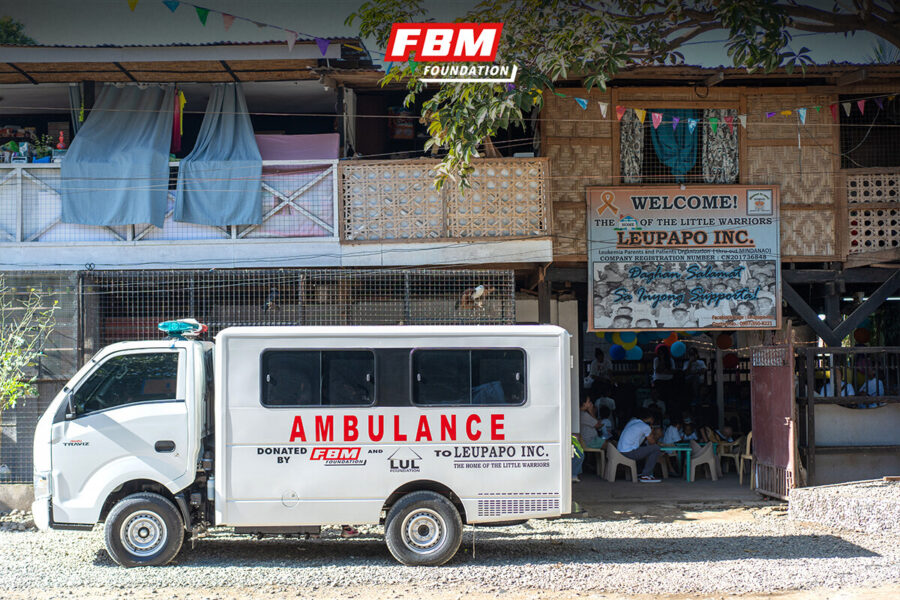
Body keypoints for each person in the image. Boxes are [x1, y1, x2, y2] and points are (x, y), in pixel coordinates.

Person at [616, 409, 661, 483]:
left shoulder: (633, 421)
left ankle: (641, 472)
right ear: (650, 418)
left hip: (620, 451)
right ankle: (646, 475)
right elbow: (652, 443)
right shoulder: (645, 427)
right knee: (656, 448)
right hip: (629, 452)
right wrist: (653, 432)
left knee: (645, 449)